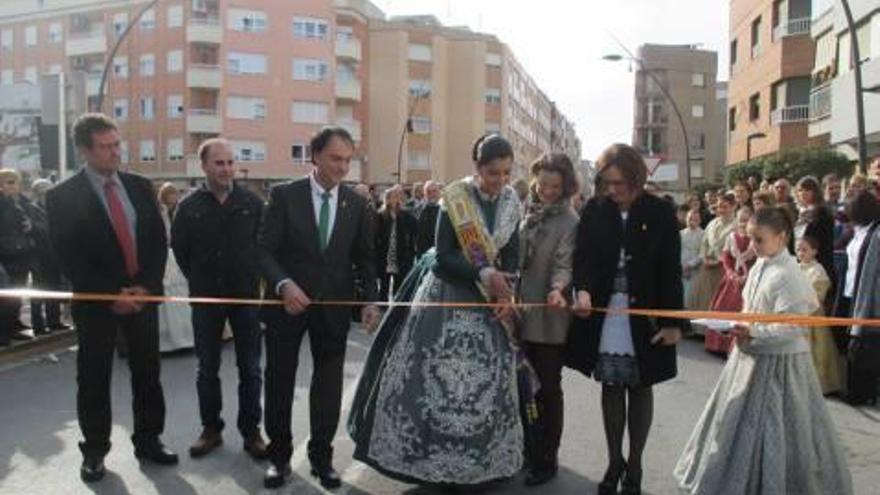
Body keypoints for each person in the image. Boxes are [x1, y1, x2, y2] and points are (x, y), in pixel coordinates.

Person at [348, 134, 524, 486]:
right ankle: (427, 456)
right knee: (428, 377)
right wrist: (483, 272)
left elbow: (513, 253)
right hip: (446, 294)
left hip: (488, 299)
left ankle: (478, 459)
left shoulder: (511, 201)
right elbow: (443, 257)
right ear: (477, 168)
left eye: (506, 173)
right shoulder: (455, 198)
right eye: (493, 173)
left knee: (484, 381)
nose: (500, 181)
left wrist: (508, 290)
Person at [674, 206, 853, 495]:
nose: (753, 246)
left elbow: (794, 327)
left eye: (759, 239)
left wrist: (753, 330)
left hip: (780, 368)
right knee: (735, 429)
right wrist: (740, 324)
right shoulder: (762, 265)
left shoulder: (788, 273)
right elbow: (752, 309)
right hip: (749, 358)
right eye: (751, 238)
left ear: (781, 237)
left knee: (779, 435)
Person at [45, 113, 177, 483]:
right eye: (104, 147)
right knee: (94, 377)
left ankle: (150, 440)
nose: (114, 153)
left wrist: (146, 287)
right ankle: (95, 451)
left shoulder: (139, 186)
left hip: (142, 296)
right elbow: (68, 255)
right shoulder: (62, 197)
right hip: (95, 303)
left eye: (116, 144)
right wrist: (109, 295)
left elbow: (155, 243)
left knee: (148, 374)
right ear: (84, 151)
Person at [258, 127, 381, 489]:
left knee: (327, 386)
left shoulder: (357, 204)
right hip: (287, 307)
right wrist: (283, 284)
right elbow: (263, 250)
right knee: (279, 381)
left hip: (333, 309)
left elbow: (365, 260)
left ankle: (321, 457)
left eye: (348, 159)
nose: (343, 167)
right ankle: (278, 458)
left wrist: (370, 300)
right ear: (315, 156)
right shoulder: (284, 195)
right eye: (335, 159)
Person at [569, 143, 683, 495]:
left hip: (645, 316)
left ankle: (635, 465)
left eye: (620, 183)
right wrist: (583, 290)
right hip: (606, 314)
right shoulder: (595, 210)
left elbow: (670, 269)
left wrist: (673, 322)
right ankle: (613, 460)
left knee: (641, 385)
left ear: (636, 179)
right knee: (611, 386)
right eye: (607, 182)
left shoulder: (660, 211)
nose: (613, 190)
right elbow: (583, 258)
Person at [171, 138, 268, 460]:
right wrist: (201, 281)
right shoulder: (188, 206)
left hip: (245, 299)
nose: (227, 169)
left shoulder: (252, 203)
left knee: (251, 369)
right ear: (204, 166)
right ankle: (210, 429)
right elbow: (181, 252)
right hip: (206, 300)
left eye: (230, 163)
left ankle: (251, 431)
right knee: (207, 368)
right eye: (219, 163)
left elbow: (264, 248)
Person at [516, 153, 579, 485]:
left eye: (556, 186)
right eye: (543, 185)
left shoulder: (569, 220)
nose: (549, 192)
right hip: (519, 312)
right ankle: (528, 448)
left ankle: (547, 458)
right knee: (523, 388)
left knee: (548, 390)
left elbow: (565, 262)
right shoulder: (526, 209)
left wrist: (559, 288)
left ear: (566, 185)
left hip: (550, 315)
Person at [835, 191, 880, 405]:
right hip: (849, 291)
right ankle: (853, 388)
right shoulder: (856, 231)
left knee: (862, 345)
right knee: (850, 342)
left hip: (868, 296)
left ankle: (860, 393)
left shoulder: (876, 233)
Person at [797, 235, 845, 395]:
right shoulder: (795, 268)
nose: (801, 253)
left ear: (815, 251)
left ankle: (818, 383)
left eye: (805, 250)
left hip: (812, 314)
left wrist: (803, 302)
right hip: (795, 313)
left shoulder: (817, 271)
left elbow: (818, 296)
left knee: (817, 350)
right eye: (798, 249)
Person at [706, 207, 756, 354]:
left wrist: (747, 276)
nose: (743, 223)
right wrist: (730, 273)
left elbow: (758, 259)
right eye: (741, 219)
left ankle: (733, 346)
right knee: (722, 307)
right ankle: (717, 345)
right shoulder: (732, 237)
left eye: (746, 220)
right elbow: (726, 257)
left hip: (748, 279)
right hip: (731, 279)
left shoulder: (755, 240)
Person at [27, 178, 70, 335]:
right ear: (37, 193)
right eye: (43, 191)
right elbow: (34, 228)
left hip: (54, 255)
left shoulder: (55, 208)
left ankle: (54, 322)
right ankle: (38, 325)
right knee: (38, 291)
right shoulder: (31, 208)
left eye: (48, 190)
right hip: (38, 257)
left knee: (54, 289)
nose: (46, 194)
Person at [155, 182, 193, 352]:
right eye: (169, 195)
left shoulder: (180, 210)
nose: (173, 198)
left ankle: (186, 335)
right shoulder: (161, 211)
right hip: (165, 255)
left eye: (174, 194)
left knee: (181, 290)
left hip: (175, 254)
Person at [0, 169, 37, 341]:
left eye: (16, 182)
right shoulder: (3, 204)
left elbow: (30, 222)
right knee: (8, 295)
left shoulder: (22, 202)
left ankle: (14, 324)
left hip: (22, 252)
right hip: (8, 255)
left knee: (17, 293)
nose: (14, 186)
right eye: (9, 182)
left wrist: (30, 225)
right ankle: (5, 330)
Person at [687, 193, 736, 318]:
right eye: (719, 207)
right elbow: (704, 244)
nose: (721, 210)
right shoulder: (712, 223)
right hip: (708, 266)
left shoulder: (736, 225)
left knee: (720, 300)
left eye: (725, 207)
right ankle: (701, 330)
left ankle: (718, 331)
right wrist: (704, 258)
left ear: (733, 207)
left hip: (725, 268)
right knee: (704, 298)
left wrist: (720, 261)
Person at [794, 176, 835, 309]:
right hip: (801, 264)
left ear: (815, 192)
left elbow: (824, 245)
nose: (803, 193)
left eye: (807, 190)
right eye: (800, 190)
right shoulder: (799, 214)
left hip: (818, 266)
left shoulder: (822, 213)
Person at [375, 185, 418, 301]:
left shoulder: (406, 215)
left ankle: (396, 312)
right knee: (383, 287)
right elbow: (374, 237)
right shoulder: (380, 215)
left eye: (399, 196)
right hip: (385, 256)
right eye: (394, 196)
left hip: (401, 257)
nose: (397, 199)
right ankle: (382, 311)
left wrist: (411, 252)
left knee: (399, 288)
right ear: (388, 199)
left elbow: (416, 231)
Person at [680, 208, 704, 308]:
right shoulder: (680, 234)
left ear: (699, 221)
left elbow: (702, 253)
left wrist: (690, 265)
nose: (692, 222)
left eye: (695, 220)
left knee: (691, 299)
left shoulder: (703, 234)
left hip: (696, 271)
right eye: (690, 219)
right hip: (680, 270)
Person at [415, 180, 442, 256]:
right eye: (428, 192)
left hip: (442, 253)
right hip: (425, 254)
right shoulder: (418, 210)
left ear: (439, 192)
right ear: (425, 194)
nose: (432, 194)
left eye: (434, 191)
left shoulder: (445, 209)